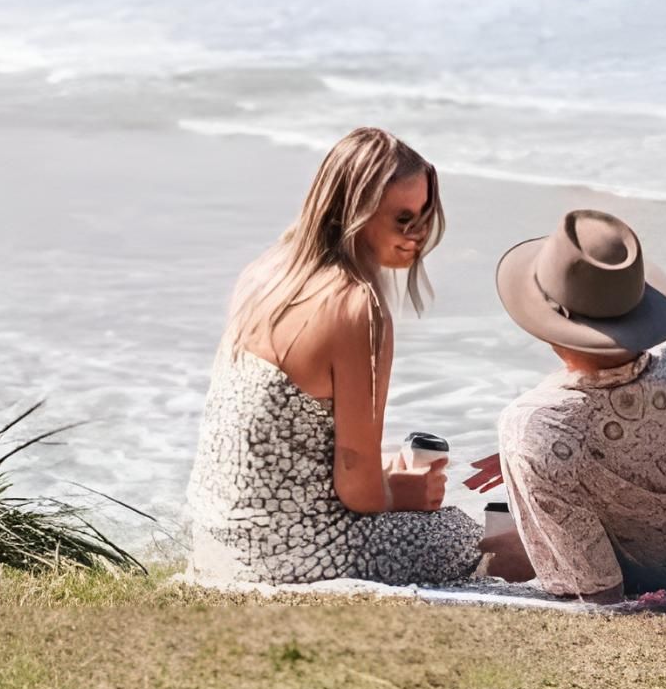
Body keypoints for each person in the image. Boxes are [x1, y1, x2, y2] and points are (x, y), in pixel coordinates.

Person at [187, 128, 482, 588]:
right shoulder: (355, 305)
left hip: (219, 544)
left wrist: (381, 477)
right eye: (402, 219)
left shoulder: (265, 271)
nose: (418, 235)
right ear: (355, 215)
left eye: (424, 217)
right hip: (290, 560)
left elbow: (291, 453)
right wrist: (399, 491)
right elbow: (358, 493)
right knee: (469, 536)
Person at [470, 209, 666, 604]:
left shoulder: (534, 425)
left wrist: (533, 455)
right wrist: (539, 450)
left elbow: (599, 591)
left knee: (514, 544)